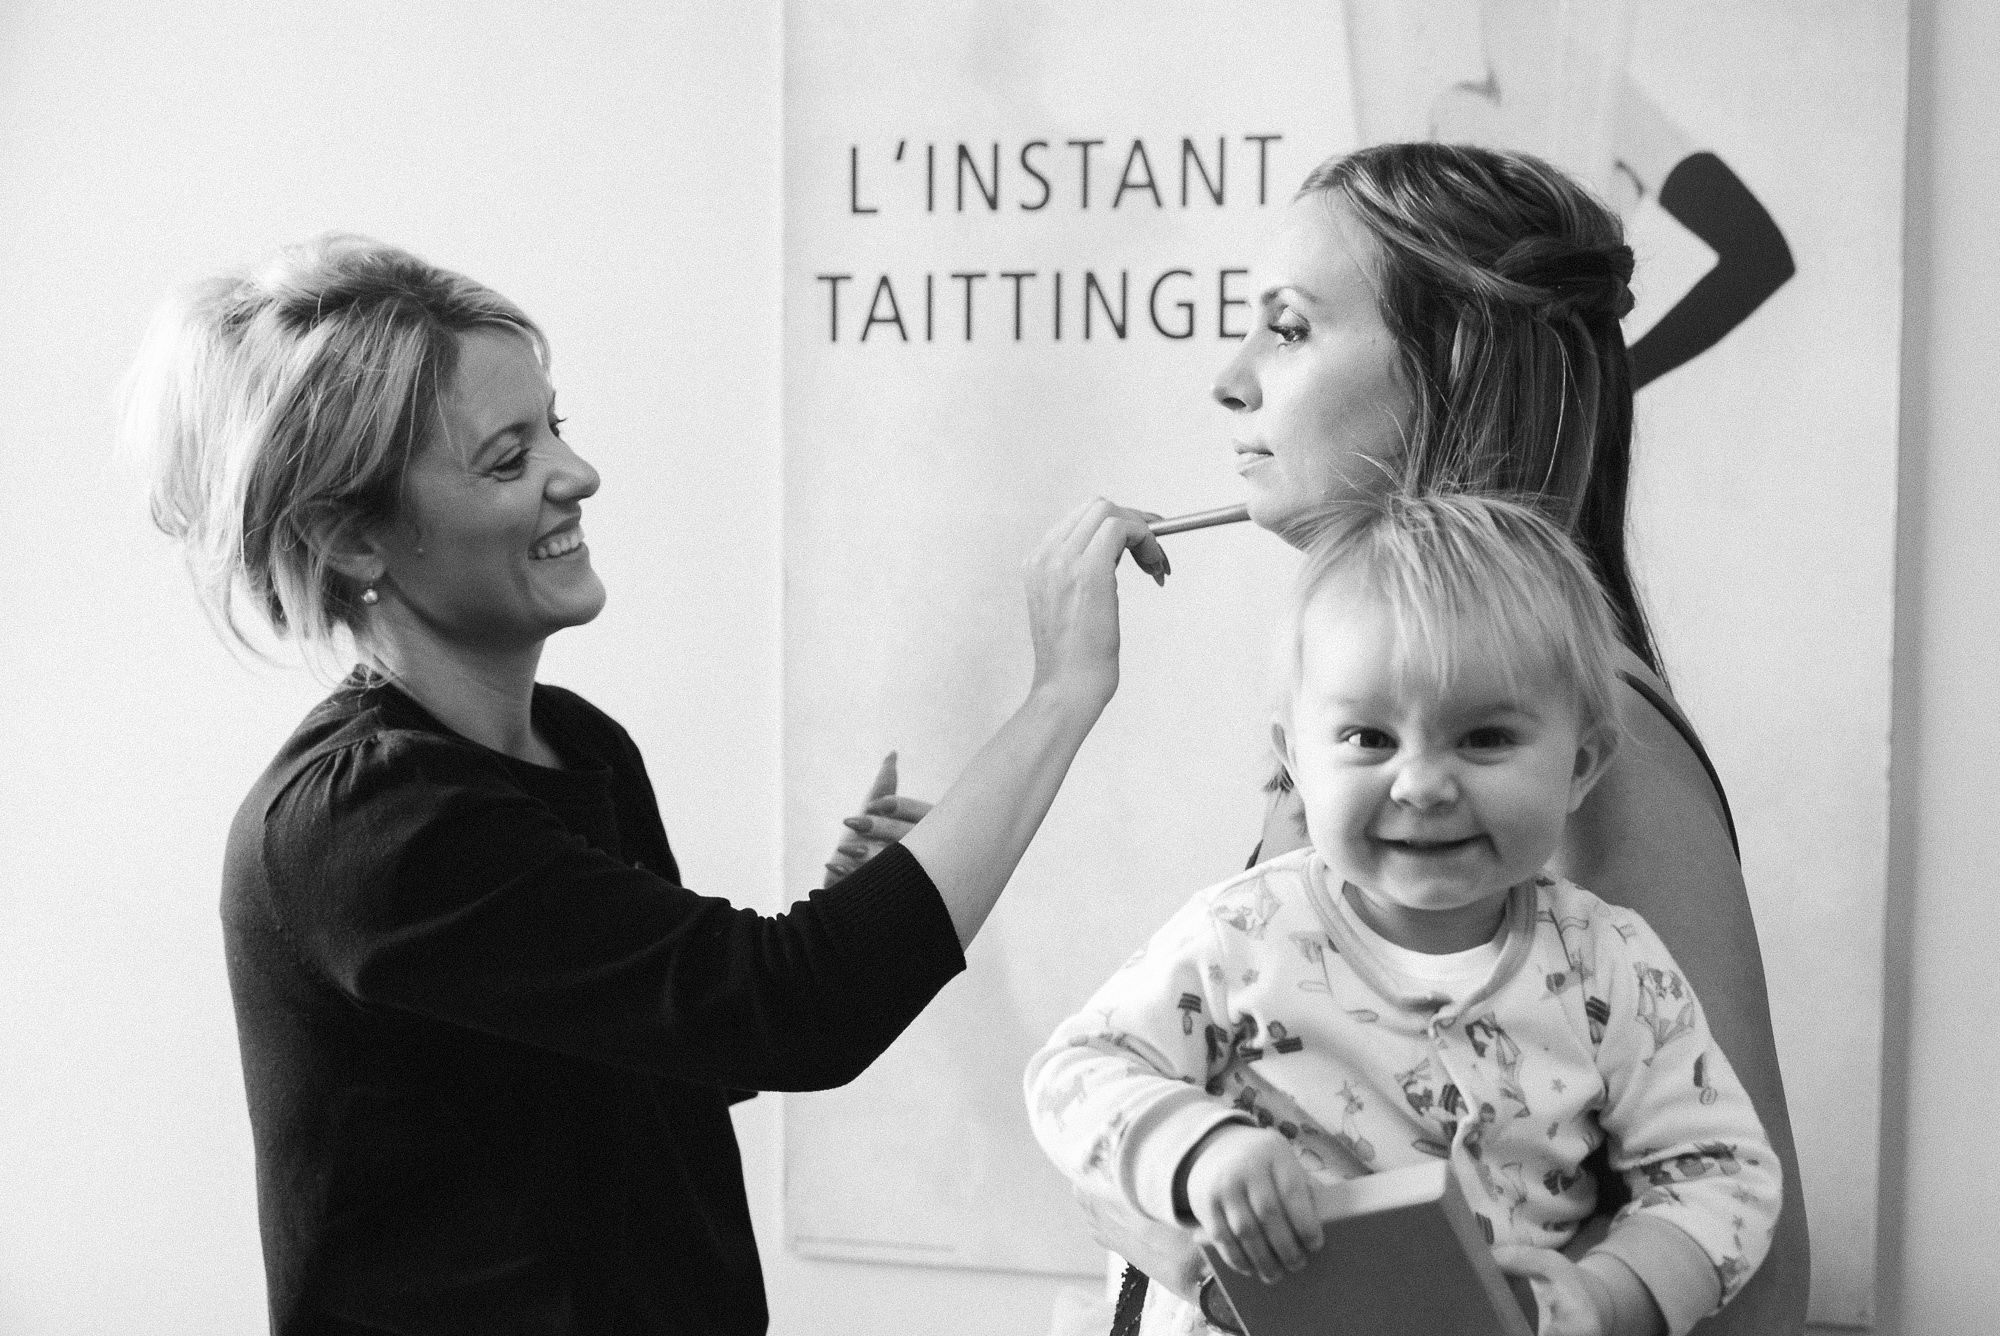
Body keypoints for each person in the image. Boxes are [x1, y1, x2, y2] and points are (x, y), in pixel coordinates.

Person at [124, 233, 1166, 1335]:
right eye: (507, 456)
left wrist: (860, 911)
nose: (576, 475)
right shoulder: (364, 826)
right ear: (351, 540)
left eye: (555, 427)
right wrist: (1059, 692)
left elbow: (673, 1065)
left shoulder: (579, 749)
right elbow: (790, 1013)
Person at [1052, 141, 1810, 1336]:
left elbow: (1756, 1281)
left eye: (1288, 329)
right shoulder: (1356, 759)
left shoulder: (1607, 756)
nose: (1230, 380)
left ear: (1450, 359)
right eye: (1360, 739)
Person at [1026, 492, 1782, 1336]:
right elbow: (1073, 1071)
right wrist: (1200, 1150)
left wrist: (1607, 1295)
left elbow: (1726, 1173)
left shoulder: (1611, 963)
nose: (1421, 784)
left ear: (1581, 766)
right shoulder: (1244, 934)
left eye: (1486, 737)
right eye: (1369, 740)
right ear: (1295, 761)